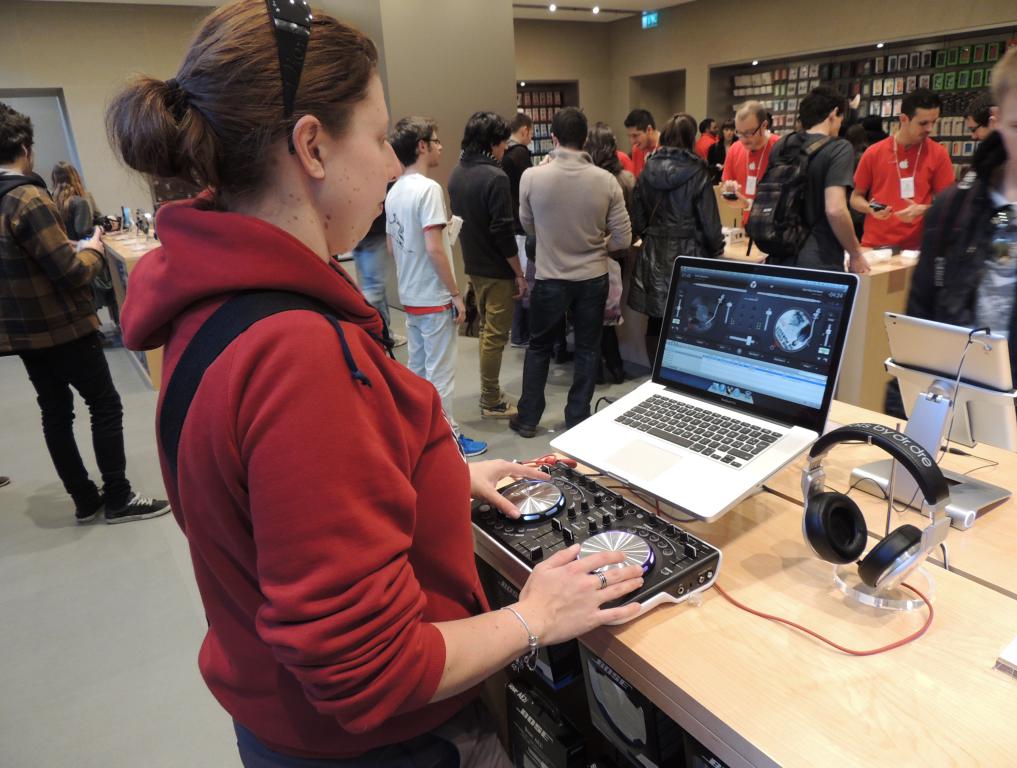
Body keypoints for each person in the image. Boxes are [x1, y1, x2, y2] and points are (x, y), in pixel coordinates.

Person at [106, 3, 644, 764]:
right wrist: (536, 616)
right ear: (312, 146)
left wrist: (430, 478)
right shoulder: (297, 353)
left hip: (277, 720)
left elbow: (276, 511)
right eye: (379, 136)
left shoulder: (209, 304)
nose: (394, 166)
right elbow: (370, 671)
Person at [0, 103, 169, 525]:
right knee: (104, 405)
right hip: (65, 328)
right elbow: (73, 273)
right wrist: (92, 250)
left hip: (24, 333)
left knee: (55, 413)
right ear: (25, 146)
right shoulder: (28, 197)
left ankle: (84, 498)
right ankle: (118, 496)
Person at [900, 45, 1017, 441]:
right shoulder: (952, 209)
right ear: (999, 120)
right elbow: (919, 333)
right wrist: (906, 427)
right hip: (952, 425)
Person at [513, 108, 631, 437]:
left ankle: (528, 418)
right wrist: (594, 245)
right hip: (592, 277)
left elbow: (526, 223)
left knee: (538, 347)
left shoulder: (532, 177)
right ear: (586, 141)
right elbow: (622, 237)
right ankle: (577, 415)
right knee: (588, 348)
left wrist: (553, 238)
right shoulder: (606, 181)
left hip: (550, 275)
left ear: (552, 138)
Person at [385, 117, 487, 457]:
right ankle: (449, 441)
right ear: (421, 146)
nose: (442, 146)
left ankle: (420, 437)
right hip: (434, 296)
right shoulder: (428, 190)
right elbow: (433, 247)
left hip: (411, 295)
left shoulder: (395, 189)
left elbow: (392, 246)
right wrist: (456, 295)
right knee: (442, 375)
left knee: (418, 370)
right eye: (437, 140)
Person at [448, 111, 525, 420]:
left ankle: (489, 391)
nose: (505, 148)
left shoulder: (457, 173)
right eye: (502, 142)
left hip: (474, 264)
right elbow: (503, 232)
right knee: (495, 335)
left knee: (486, 333)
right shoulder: (495, 177)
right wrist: (519, 272)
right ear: (493, 143)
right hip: (497, 269)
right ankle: (491, 400)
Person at [629, 113, 723, 363]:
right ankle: (682, 377)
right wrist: (716, 249)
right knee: (690, 321)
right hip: (689, 255)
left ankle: (655, 375)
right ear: (692, 139)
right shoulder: (698, 172)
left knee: (656, 321)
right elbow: (711, 225)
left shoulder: (648, 169)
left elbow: (636, 220)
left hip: (654, 254)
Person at [766, 86, 870, 273]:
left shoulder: (782, 144)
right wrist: (855, 254)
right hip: (818, 259)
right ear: (833, 114)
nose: (839, 125)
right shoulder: (838, 148)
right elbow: (835, 209)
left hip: (778, 253)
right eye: (840, 118)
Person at [851, 89, 955, 252]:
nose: (930, 129)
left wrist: (923, 209)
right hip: (874, 246)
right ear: (904, 119)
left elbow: (950, 204)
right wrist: (869, 208)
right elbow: (855, 198)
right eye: (923, 123)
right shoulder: (874, 152)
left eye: (933, 122)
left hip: (917, 249)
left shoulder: (938, 153)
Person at [584, 121, 636, 385]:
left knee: (591, 320)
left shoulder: (590, 183)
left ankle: (597, 373)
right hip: (618, 256)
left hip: (592, 258)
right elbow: (631, 226)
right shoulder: (626, 179)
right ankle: (615, 369)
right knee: (607, 318)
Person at [51, 160, 118, 322]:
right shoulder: (79, 201)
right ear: (75, 176)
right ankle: (120, 326)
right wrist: (101, 228)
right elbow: (84, 230)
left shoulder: (52, 202)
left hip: (67, 256)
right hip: (87, 253)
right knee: (112, 291)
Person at [720, 101, 780, 225]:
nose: (743, 139)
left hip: (776, 228)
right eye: (739, 133)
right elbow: (727, 185)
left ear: (764, 126)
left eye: (748, 133)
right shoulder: (735, 149)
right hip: (747, 226)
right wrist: (730, 190)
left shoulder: (781, 147)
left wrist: (748, 204)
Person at [502, 112, 533, 347]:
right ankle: (522, 334)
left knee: (517, 279)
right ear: (524, 130)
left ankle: (518, 333)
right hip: (522, 226)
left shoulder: (502, 155)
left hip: (509, 225)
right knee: (524, 281)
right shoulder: (521, 155)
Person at [351, 212, 403, 346]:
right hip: (374, 232)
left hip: (358, 233)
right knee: (374, 291)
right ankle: (380, 337)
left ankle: (385, 333)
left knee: (374, 288)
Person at [624, 108, 660, 175]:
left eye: (635, 136)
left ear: (649, 130)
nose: (632, 142)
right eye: (629, 136)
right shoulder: (636, 150)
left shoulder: (667, 147)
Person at [706, 119, 734, 184]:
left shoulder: (739, 147)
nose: (729, 132)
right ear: (722, 131)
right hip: (719, 180)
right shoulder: (714, 147)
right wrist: (718, 167)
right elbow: (709, 167)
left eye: (732, 130)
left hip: (735, 181)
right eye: (726, 130)